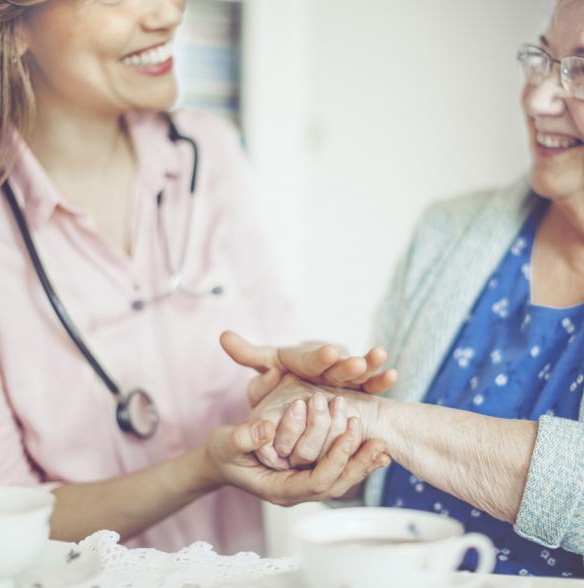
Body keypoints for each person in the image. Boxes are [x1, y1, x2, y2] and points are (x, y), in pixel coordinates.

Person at [0, 0, 394, 555]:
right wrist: (204, 468)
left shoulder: (210, 151)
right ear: (14, 27)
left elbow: (271, 345)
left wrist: (305, 387)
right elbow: (7, 521)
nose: (167, 13)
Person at [223, 0, 584, 578]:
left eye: (582, 71)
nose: (539, 98)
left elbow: (394, 425)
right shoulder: (448, 232)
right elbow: (384, 484)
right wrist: (323, 429)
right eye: (541, 59)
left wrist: (379, 419)